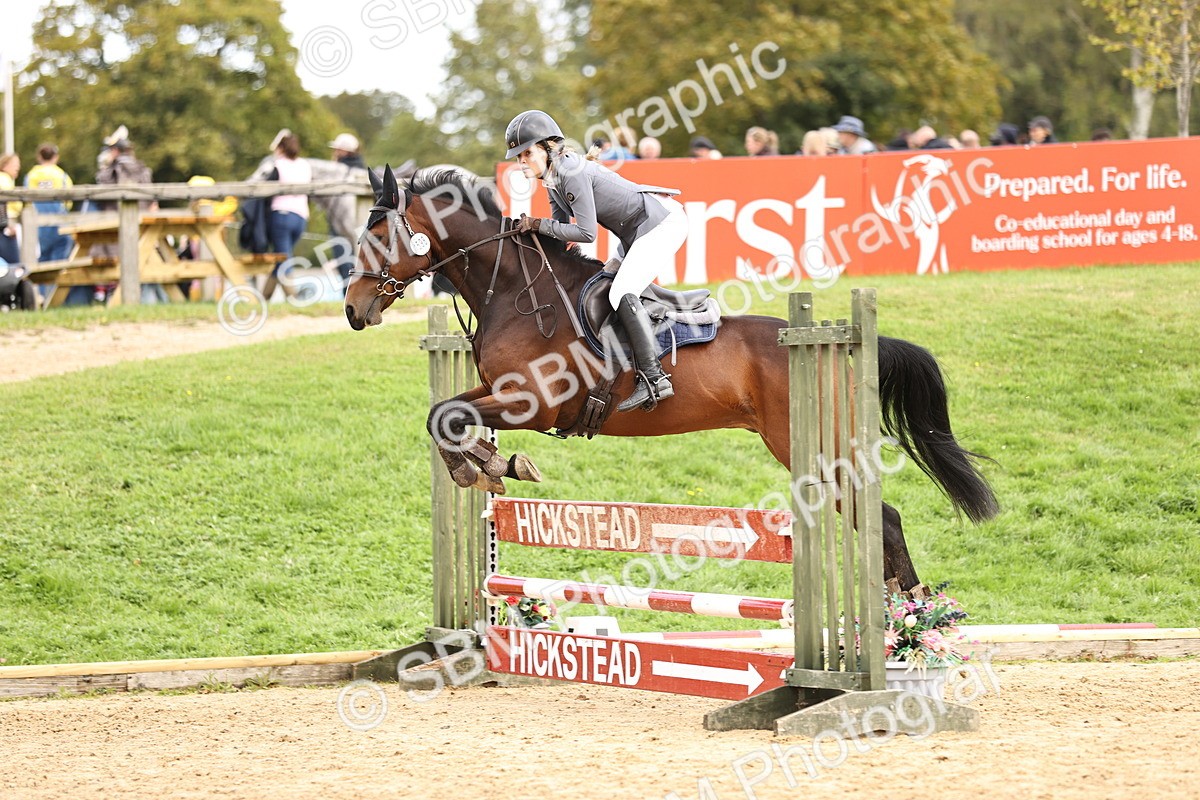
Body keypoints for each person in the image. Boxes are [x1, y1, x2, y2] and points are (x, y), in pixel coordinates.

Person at [504, 109, 687, 412]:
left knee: (619, 292)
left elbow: (586, 233)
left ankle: (655, 378)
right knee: (605, 281)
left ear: (548, 148)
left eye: (527, 153)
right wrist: (525, 240)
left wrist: (537, 225)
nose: (521, 161)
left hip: (661, 223)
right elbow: (559, 230)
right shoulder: (552, 178)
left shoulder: (570, 172)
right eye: (517, 156)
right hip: (635, 230)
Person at [263, 129, 312, 301]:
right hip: (300, 217)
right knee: (281, 256)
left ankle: (292, 298)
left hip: (281, 216)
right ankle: (263, 298)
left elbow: (266, 189)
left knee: (283, 258)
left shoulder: (277, 165)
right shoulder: (305, 165)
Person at [25, 143, 75, 265]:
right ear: (55, 157)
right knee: (60, 262)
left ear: (39, 157)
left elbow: (27, 200)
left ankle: (42, 285)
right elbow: (69, 200)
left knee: (41, 261)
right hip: (60, 223)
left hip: (38, 225)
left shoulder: (31, 175)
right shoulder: (61, 175)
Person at [0, 153, 20, 266]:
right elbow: (12, 205)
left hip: (5, 224)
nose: (17, 167)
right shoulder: (4, 180)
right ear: (5, 165)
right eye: (15, 164)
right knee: (12, 264)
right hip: (6, 225)